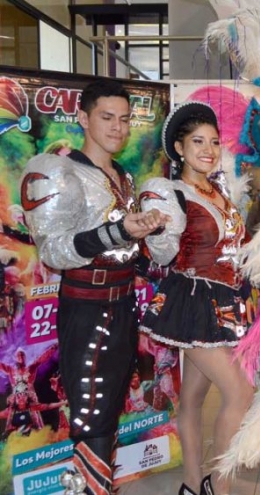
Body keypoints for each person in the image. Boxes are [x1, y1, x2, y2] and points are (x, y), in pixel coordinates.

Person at [19, 79, 168, 495]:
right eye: (107, 117)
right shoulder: (62, 171)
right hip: (87, 310)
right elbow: (54, 251)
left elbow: (127, 251)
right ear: (83, 118)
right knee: (91, 415)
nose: (118, 127)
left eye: (124, 119)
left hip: (123, 304)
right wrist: (118, 231)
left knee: (110, 407)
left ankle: (97, 487)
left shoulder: (124, 176)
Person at [139, 101, 254, 495]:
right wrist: (157, 230)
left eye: (214, 142)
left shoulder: (218, 190)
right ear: (180, 148)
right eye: (198, 141)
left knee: (193, 397)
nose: (208, 149)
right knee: (240, 391)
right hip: (191, 302)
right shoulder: (170, 193)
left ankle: (191, 484)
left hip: (225, 302)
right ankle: (217, 487)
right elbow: (163, 255)